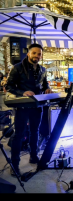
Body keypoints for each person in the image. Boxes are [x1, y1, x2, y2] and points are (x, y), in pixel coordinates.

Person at [5, 43, 52, 177]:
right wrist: (23, 92)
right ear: (28, 54)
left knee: (35, 132)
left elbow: (44, 84)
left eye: (39, 54)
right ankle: (14, 165)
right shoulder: (17, 67)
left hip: (37, 106)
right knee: (18, 135)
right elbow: (9, 86)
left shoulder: (43, 69)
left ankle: (33, 156)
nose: (37, 56)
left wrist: (47, 89)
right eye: (35, 53)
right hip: (22, 106)